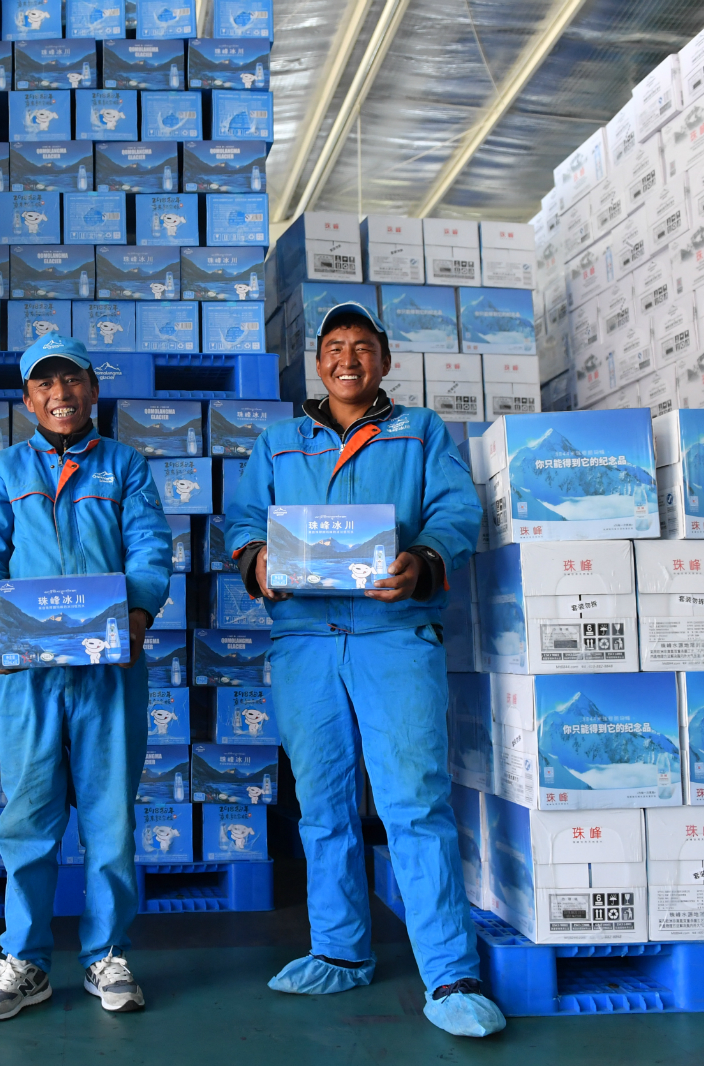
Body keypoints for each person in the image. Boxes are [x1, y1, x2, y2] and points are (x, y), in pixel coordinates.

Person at [223, 302, 506, 1038]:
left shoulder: (420, 432)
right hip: (305, 641)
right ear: (317, 361)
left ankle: (451, 973)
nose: (347, 359)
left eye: (362, 346)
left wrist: (423, 560)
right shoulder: (280, 443)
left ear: (384, 359)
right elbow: (244, 521)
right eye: (335, 347)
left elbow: (456, 511)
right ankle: (340, 951)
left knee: (414, 802)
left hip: (394, 635)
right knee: (322, 805)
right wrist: (257, 560)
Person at [0, 331, 173, 1021]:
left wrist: (137, 614)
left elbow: (150, 549)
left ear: (93, 390)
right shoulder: (2, 472)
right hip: (27, 676)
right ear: (27, 400)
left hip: (108, 670)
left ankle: (107, 953)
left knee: (110, 818)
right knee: (27, 817)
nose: (61, 394)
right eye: (45, 384)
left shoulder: (124, 467)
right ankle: (25, 960)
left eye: (72, 379)